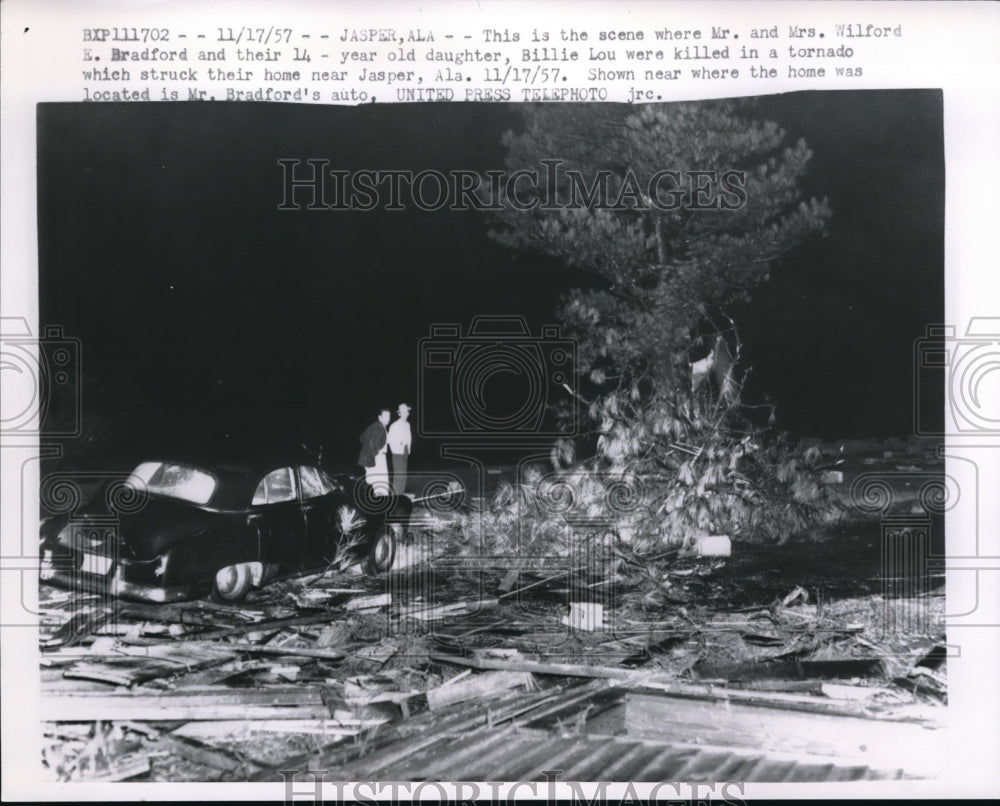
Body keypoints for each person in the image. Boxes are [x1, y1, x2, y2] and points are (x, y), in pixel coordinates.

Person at [358, 407, 391, 496]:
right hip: (378, 458)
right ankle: (381, 503)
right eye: (385, 416)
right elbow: (371, 441)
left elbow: (362, 437)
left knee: (376, 482)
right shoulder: (379, 427)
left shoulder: (376, 425)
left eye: (389, 416)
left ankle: (377, 501)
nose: (388, 418)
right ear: (379, 417)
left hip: (373, 457)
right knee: (381, 483)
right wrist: (376, 452)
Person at [387, 403, 412, 495]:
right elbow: (389, 440)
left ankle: (401, 494)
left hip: (405, 451)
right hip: (397, 452)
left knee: (403, 474)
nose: (406, 414)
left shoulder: (407, 424)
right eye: (403, 412)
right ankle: (395, 496)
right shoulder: (395, 425)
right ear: (399, 413)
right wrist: (398, 446)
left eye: (407, 412)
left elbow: (409, 437)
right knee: (399, 474)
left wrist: (408, 448)